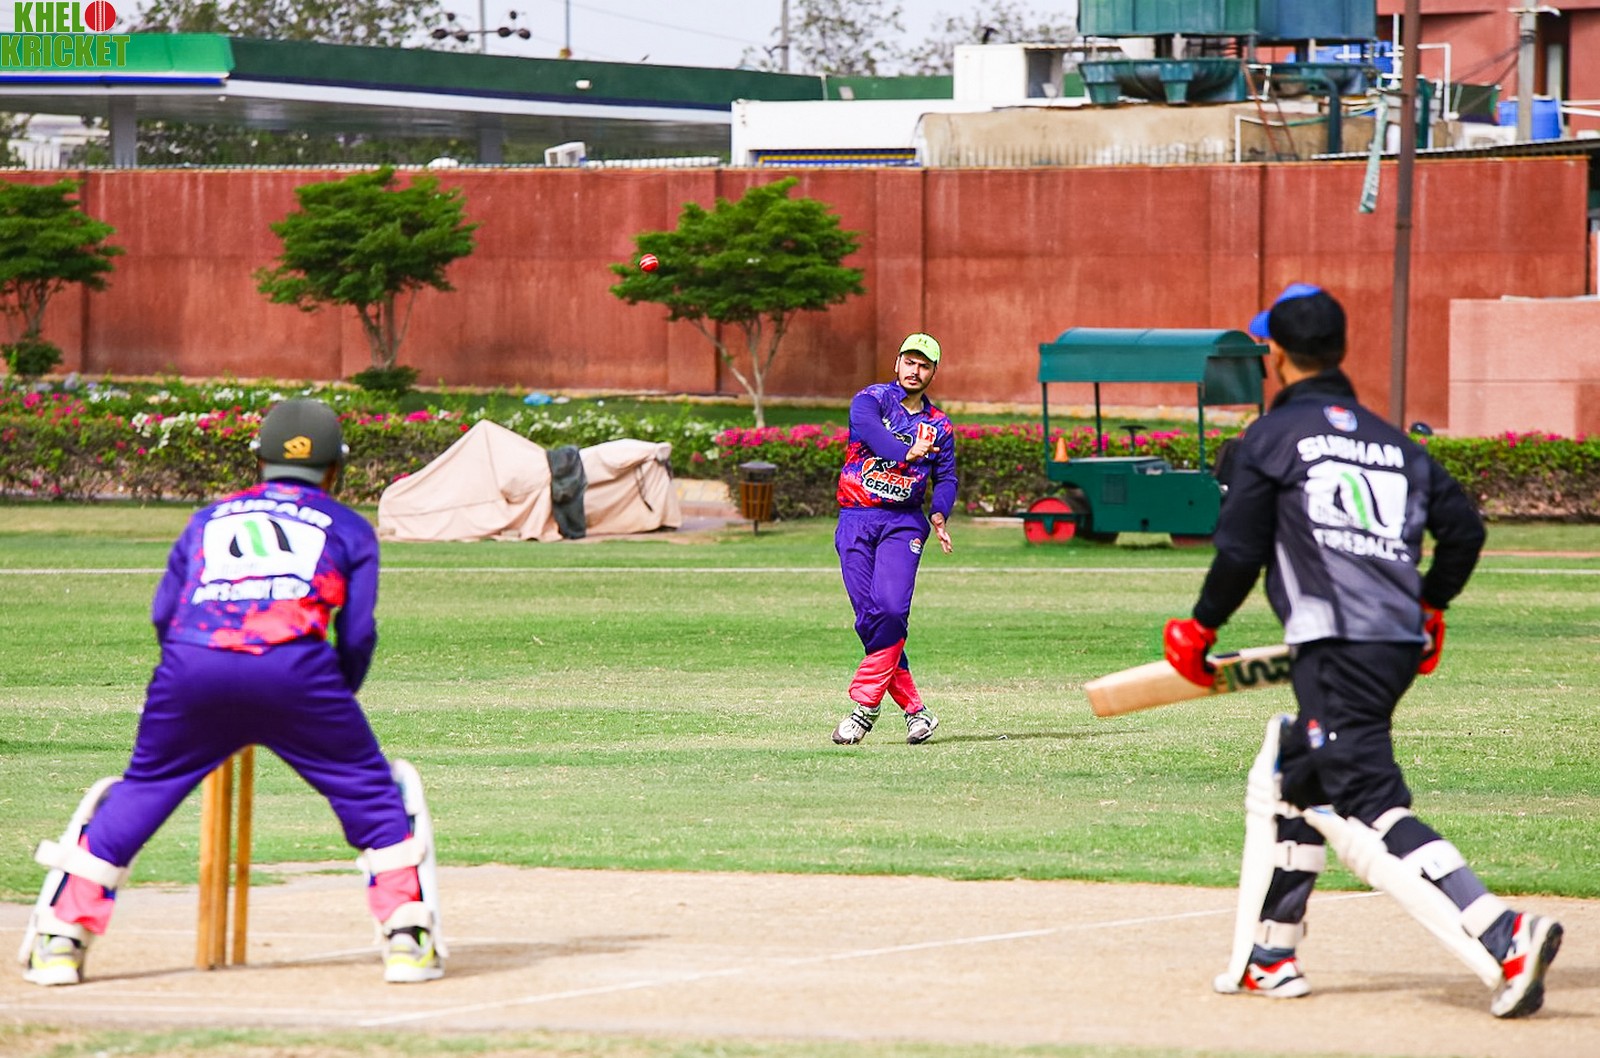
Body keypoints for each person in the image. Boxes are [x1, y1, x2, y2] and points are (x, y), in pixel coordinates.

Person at [1162, 283, 1561, 1018]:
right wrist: (1430, 605)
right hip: (1392, 643)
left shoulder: (1270, 438)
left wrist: (1200, 627)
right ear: (1342, 349)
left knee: (1369, 801)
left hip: (1337, 647)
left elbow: (1241, 549)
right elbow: (1465, 531)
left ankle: (1504, 933)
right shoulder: (1393, 441)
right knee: (1291, 776)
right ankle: (1270, 956)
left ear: (1275, 356)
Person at [21, 399, 444, 987]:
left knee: (145, 789)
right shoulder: (347, 525)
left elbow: (164, 612)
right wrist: (335, 697)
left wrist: (193, 673)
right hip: (295, 668)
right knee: (368, 791)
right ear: (335, 468)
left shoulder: (207, 519)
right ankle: (405, 938)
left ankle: (60, 939)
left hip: (193, 665)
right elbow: (357, 633)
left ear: (259, 461)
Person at [831, 332, 958, 746]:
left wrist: (939, 512)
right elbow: (871, 433)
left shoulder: (939, 426)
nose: (915, 371)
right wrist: (907, 453)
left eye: (924, 365)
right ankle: (916, 712)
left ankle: (864, 707)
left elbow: (947, 477)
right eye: (910, 361)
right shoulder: (871, 399)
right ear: (897, 363)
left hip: (902, 524)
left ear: (933, 372)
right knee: (869, 619)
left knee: (890, 609)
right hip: (855, 519)